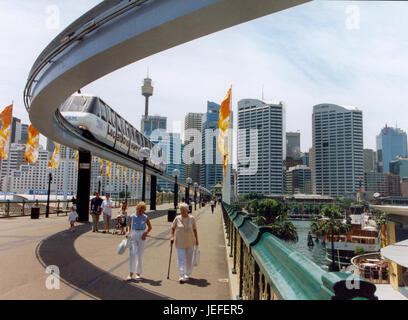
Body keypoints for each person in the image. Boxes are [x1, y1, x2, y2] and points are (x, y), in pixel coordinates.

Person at [170, 203, 199, 283]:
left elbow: (195, 229)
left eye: (183, 210)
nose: (182, 211)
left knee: (189, 259)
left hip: (190, 241)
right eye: (181, 210)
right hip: (180, 241)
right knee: (181, 259)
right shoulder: (177, 218)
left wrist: (197, 240)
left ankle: (187, 273)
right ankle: (181, 275)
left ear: (187, 210)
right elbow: (172, 228)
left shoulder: (192, 218)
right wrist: (172, 237)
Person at [125, 202, 152, 281]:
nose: (140, 212)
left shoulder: (145, 217)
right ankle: (130, 273)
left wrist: (145, 233)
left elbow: (150, 227)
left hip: (141, 234)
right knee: (132, 254)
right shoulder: (132, 216)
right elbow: (129, 225)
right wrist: (128, 232)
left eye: (142, 211)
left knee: (139, 255)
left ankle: (138, 273)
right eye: (139, 210)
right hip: (133, 234)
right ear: (136, 209)